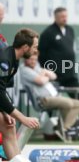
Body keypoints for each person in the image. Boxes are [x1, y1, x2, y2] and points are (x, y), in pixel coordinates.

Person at [0, 28, 40, 160]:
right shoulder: (5, 60)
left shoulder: (14, 59)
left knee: (8, 126)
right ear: (25, 47)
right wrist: (22, 118)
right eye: (34, 47)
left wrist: (7, 113)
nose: (36, 51)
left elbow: (2, 90)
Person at [20, 53, 79, 132]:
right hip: (42, 100)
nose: (33, 61)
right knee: (68, 103)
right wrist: (45, 75)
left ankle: (64, 128)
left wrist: (44, 74)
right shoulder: (25, 70)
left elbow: (54, 76)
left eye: (35, 59)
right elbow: (41, 81)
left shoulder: (36, 67)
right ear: (25, 59)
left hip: (54, 97)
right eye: (31, 59)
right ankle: (62, 129)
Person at [38, 7, 79, 99]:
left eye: (66, 16)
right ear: (55, 17)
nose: (64, 18)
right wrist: (47, 71)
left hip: (69, 74)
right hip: (55, 75)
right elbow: (41, 54)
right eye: (62, 16)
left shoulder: (70, 30)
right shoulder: (48, 33)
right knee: (54, 101)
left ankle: (78, 114)